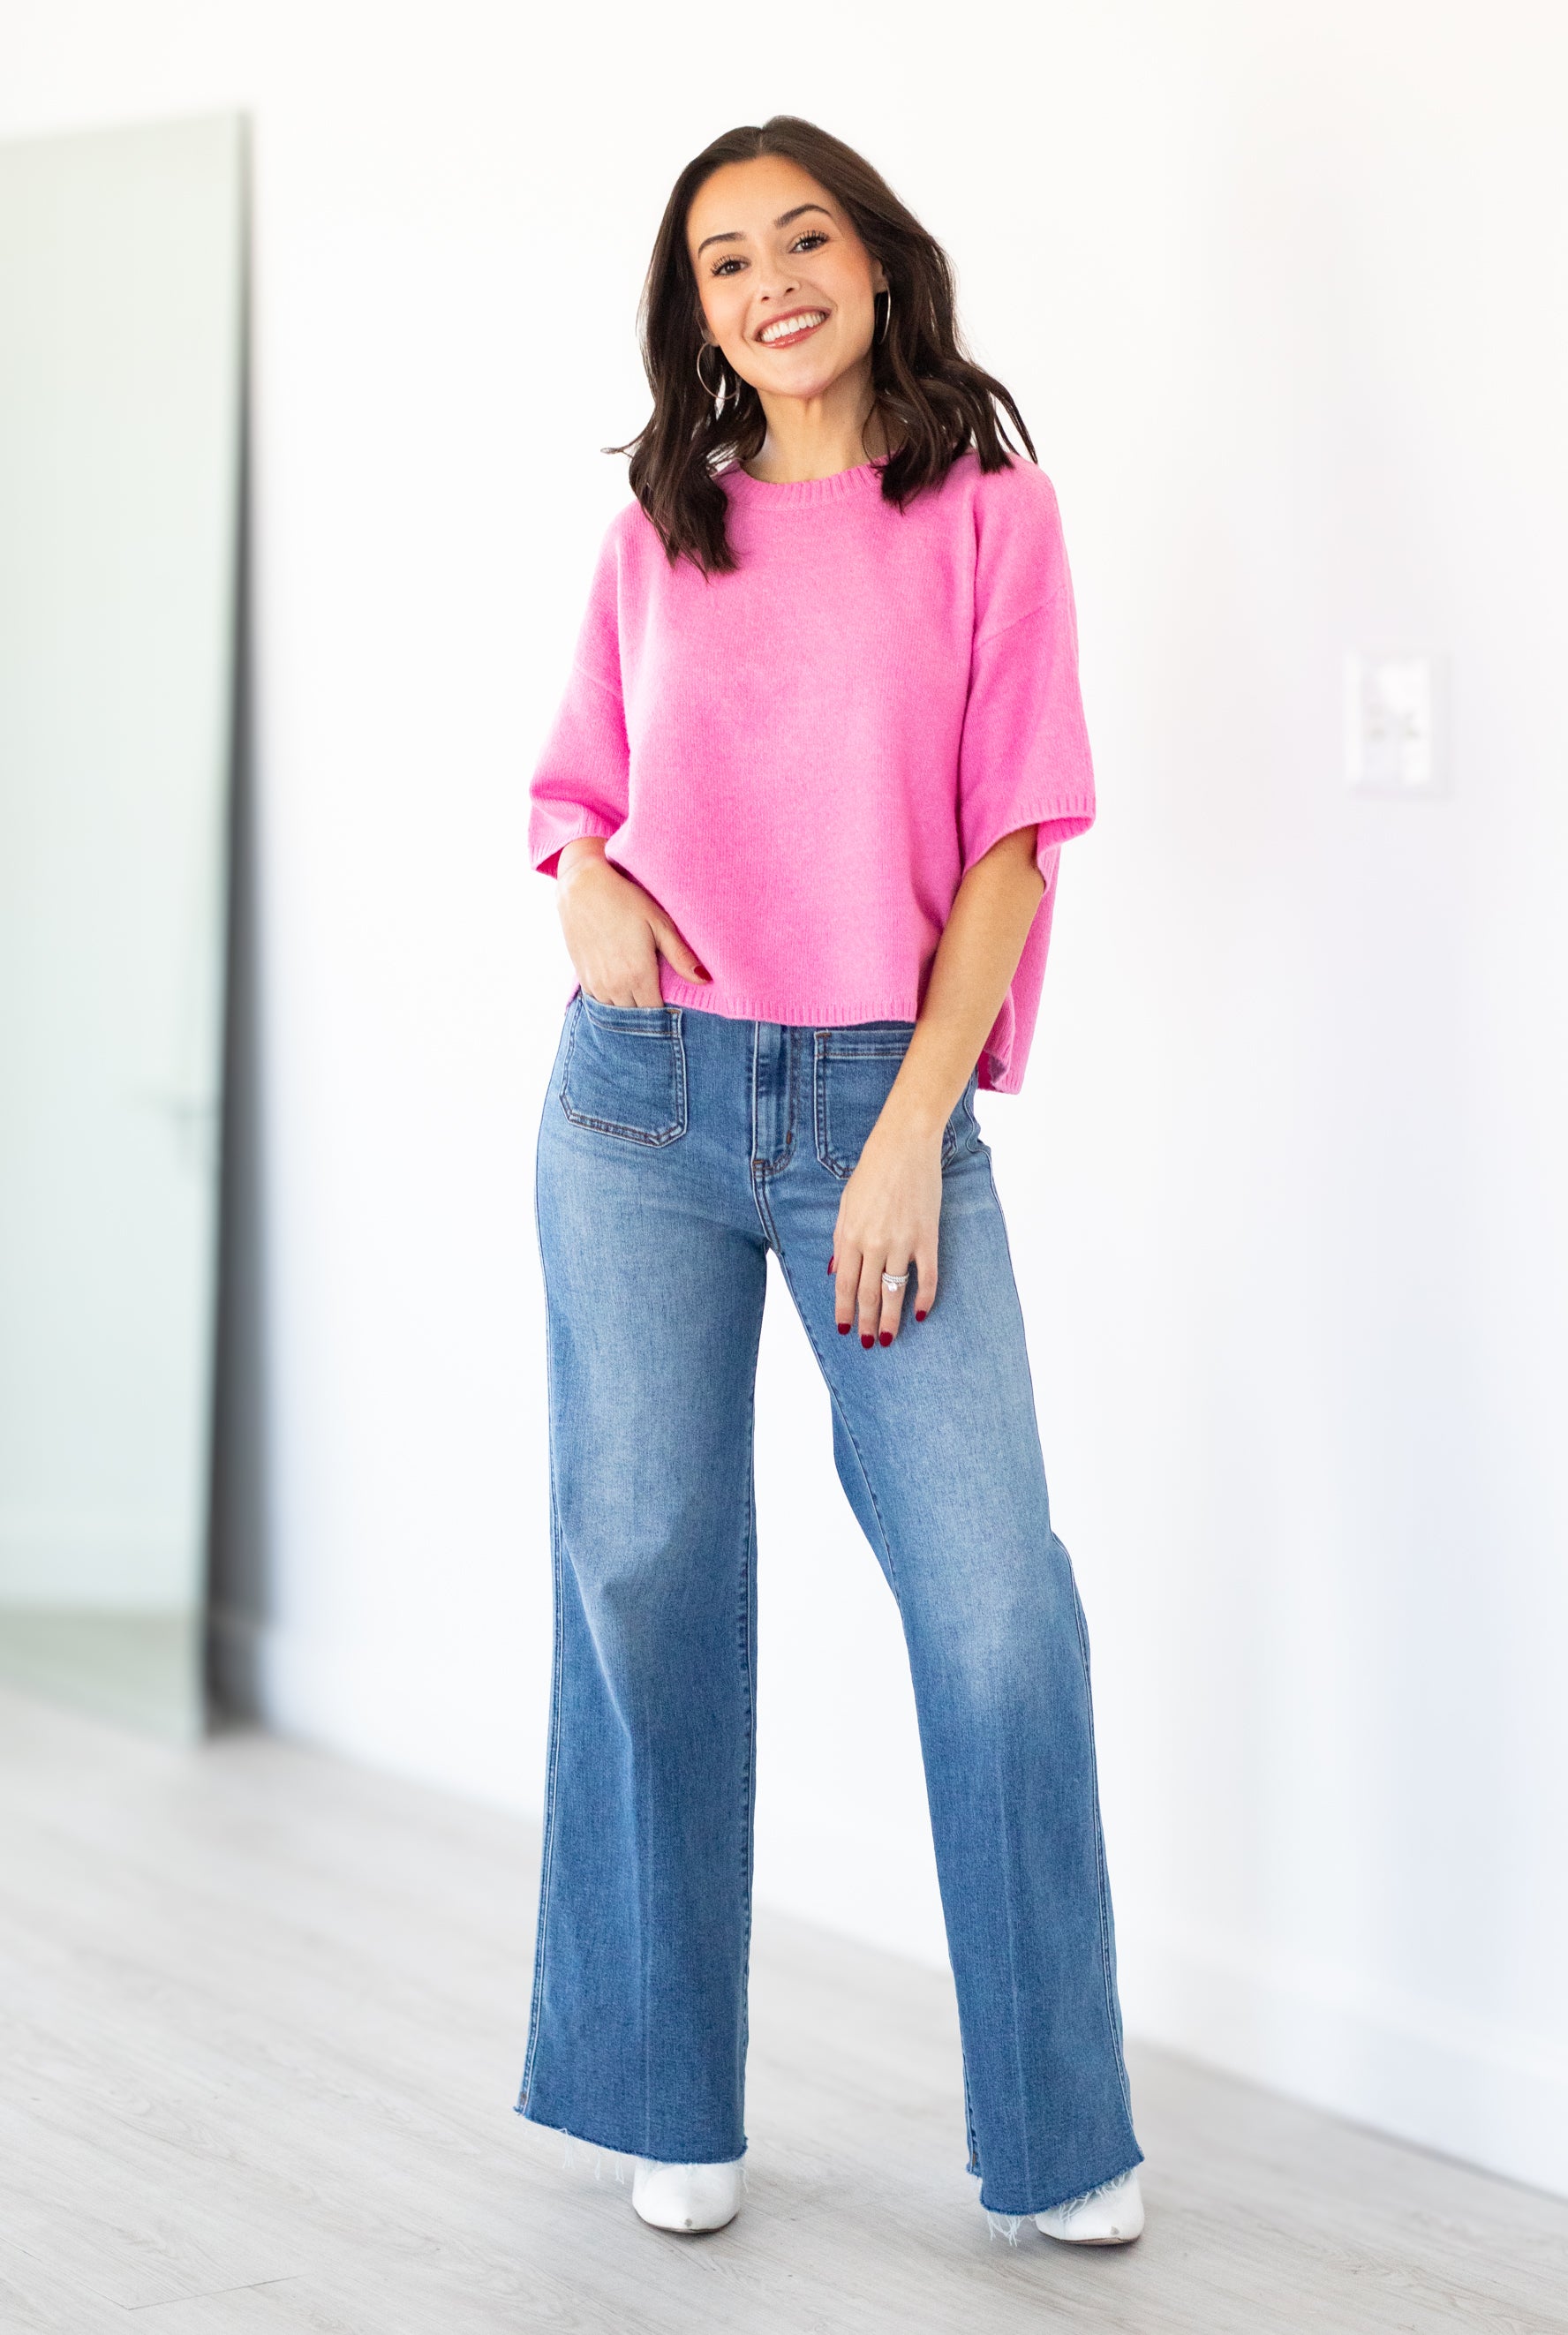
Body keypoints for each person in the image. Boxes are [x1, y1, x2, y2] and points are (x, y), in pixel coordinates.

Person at [516, 115, 1144, 2249]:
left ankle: (1062, 2129)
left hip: (887, 1098)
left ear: (877, 262)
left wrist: (904, 1139)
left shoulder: (989, 515)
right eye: (724, 261)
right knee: (640, 1575)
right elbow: (575, 791)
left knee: (994, 1608)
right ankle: (662, 2090)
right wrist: (585, 885)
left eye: (802, 240)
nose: (769, 282)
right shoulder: (660, 522)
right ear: (695, 313)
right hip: (638, 1105)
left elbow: (1013, 850)